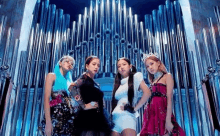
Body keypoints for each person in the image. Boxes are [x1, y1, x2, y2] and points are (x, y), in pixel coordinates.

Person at [140, 53, 186, 136]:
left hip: (162, 112)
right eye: (147, 66)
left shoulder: (167, 76)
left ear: (158, 63)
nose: (150, 67)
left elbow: (170, 98)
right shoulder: (153, 81)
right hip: (151, 114)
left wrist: (168, 120)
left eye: (152, 63)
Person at [69, 56, 111, 136]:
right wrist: (84, 105)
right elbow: (71, 88)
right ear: (87, 66)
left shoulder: (96, 83)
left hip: (98, 117)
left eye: (98, 65)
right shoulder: (83, 78)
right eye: (94, 64)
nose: (96, 67)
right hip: (88, 117)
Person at [111, 57, 151, 136]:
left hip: (127, 117)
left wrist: (134, 109)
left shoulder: (136, 76)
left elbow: (147, 92)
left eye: (124, 64)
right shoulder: (119, 84)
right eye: (119, 66)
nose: (121, 67)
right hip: (115, 118)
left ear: (130, 66)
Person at [39, 55, 78, 136]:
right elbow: (46, 99)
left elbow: (70, 102)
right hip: (55, 118)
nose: (70, 64)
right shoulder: (52, 76)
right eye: (67, 61)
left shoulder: (70, 83)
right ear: (60, 63)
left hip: (68, 121)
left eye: (72, 64)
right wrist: (48, 122)